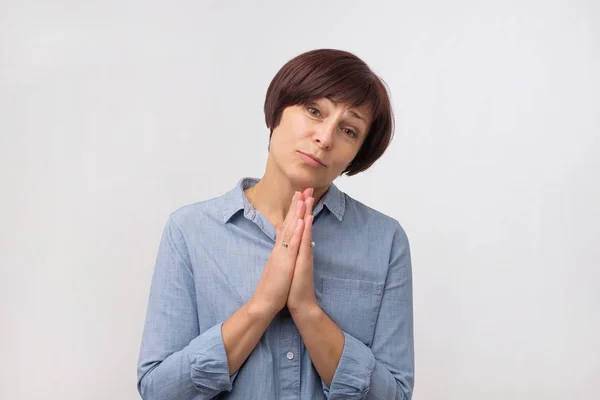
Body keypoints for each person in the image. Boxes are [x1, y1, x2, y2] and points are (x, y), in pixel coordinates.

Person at [136, 48, 414, 399]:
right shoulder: (189, 231)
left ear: (357, 154)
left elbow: (395, 396)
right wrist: (261, 306)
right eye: (314, 111)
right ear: (278, 109)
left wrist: (307, 311)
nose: (325, 138)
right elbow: (159, 391)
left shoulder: (384, 241)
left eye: (349, 130)